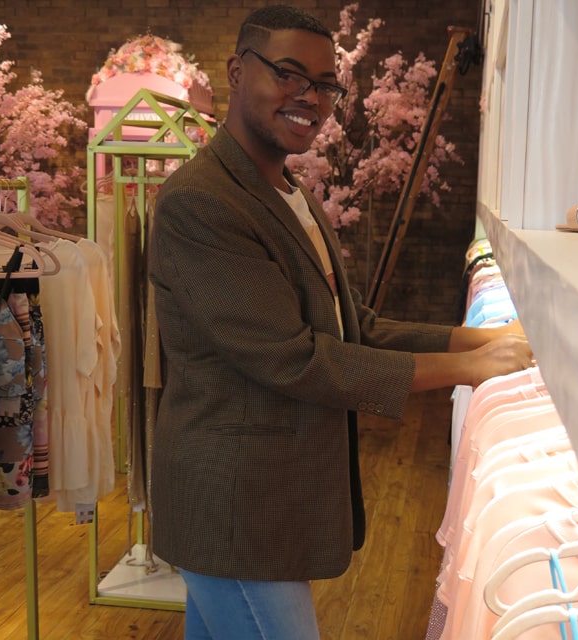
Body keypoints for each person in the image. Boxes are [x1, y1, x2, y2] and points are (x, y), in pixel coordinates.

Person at [148, 5, 532, 639]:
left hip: (261, 503)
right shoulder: (200, 203)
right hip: (234, 512)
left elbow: (353, 325)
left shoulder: (286, 190)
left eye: (326, 84)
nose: (312, 98)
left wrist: (479, 339)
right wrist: (468, 367)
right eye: (290, 74)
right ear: (237, 70)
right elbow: (295, 356)